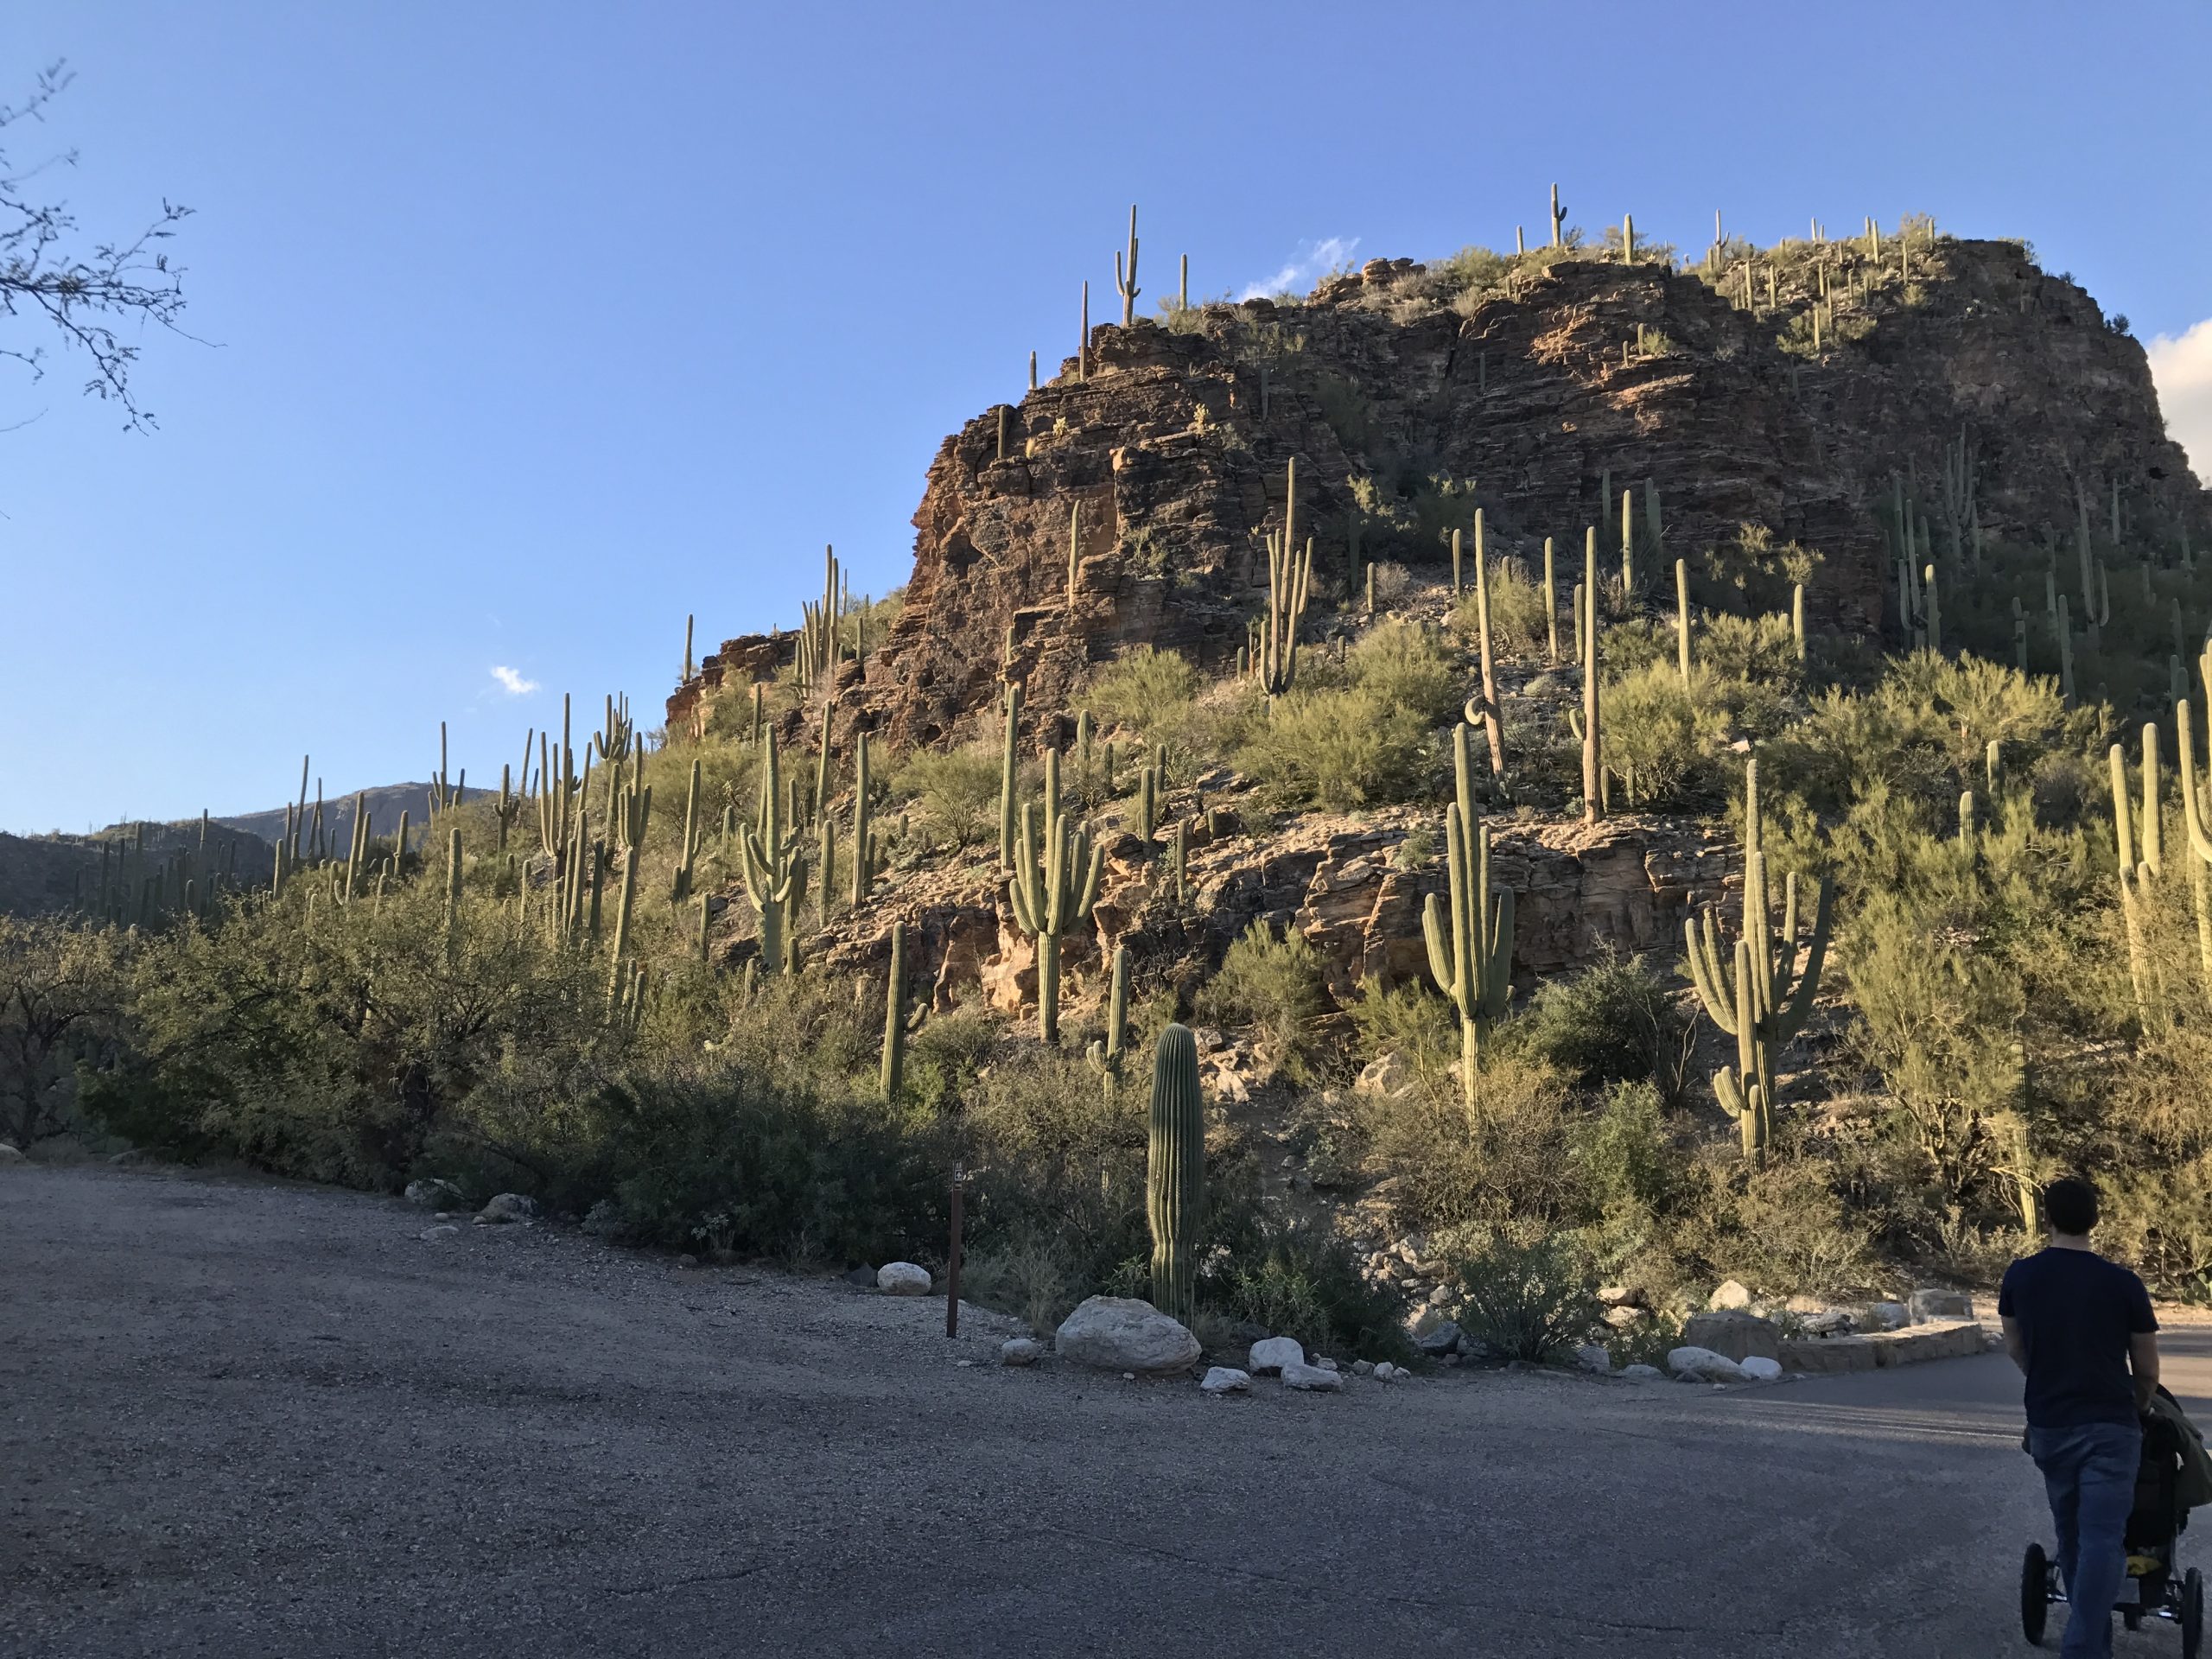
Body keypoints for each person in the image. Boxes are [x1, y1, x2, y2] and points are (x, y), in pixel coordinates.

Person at [1999, 1176, 2160, 1659]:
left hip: (2052, 1422)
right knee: (2103, 1536)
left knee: (2069, 1531)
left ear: (2045, 1218)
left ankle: (2089, 1641)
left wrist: (2043, 1376)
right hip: (2111, 1425)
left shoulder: (2020, 1278)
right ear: (2096, 1220)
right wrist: (2139, 1405)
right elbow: (2147, 1369)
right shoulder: (2123, 1283)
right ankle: (2087, 1647)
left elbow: (2015, 1346)